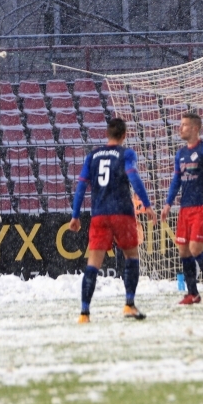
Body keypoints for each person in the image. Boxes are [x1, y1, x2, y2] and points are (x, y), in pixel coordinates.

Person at [70, 118, 158, 324]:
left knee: (93, 263)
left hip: (99, 214)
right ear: (124, 135)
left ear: (107, 134)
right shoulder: (126, 154)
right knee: (132, 256)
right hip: (121, 213)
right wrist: (146, 204)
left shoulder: (92, 156)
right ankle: (129, 304)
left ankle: (84, 313)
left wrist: (75, 215)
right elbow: (134, 177)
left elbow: (81, 186)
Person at [160, 112, 203, 305]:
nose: (180, 128)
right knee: (183, 250)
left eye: (185, 125)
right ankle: (192, 293)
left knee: (195, 247)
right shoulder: (180, 154)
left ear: (196, 129)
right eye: (181, 125)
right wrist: (167, 203)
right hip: (185, 208)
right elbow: (176, 181)